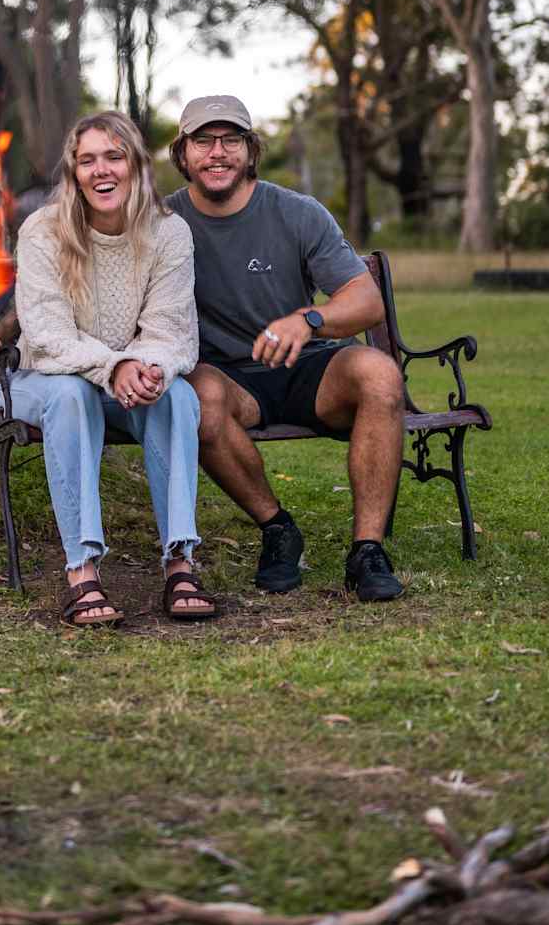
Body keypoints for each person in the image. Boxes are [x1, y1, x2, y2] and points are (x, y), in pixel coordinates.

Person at [0, 111, 213, 627]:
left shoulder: (169, 233)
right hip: (37, 380)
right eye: (88, 159)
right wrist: (114, 364)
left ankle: (181, 561)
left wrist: (147, 369)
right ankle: (82, 571)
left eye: (114, 157)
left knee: (179, 396)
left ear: (136, 165)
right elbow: (49, 337)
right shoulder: (44, 232)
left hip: (123, 381)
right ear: (74, 172)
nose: (102, 170)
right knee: (71, 395)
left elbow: (172, 332)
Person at [165, 94, 407, 604]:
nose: (217, 152)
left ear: (251, 151)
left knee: (380, 374)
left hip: (307, 369)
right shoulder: (161, 223)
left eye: (231, 140)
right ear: (182, 153)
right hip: (226, 377)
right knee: (199, 398)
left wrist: (310, 318)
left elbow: (366, 301)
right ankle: (277, 528)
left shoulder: (297, 213)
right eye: (203, 141)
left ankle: (367, 550)